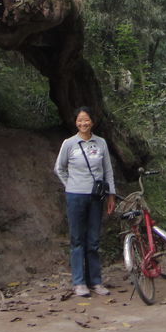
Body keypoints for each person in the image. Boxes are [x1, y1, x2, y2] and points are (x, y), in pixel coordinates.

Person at [54, 106, 116, 297]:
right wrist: (70, 184)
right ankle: (79, 282)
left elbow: (108, 171)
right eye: (80, 120)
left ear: (92, 122)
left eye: (86, 120)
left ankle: (96, 281)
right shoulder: (69, 144)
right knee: (77, 239)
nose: (83, 123)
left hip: (96, 196)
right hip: (75, 196)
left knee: (93, 240)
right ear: (76, 123)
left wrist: (111, 195)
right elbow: (59, 168)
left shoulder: (101, 143)